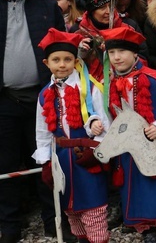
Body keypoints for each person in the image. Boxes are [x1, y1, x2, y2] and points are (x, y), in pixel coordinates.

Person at [0, 0, 67, 243]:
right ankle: (9, 225)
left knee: (49, 163)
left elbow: (61, 48)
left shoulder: (46, 5)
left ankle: (54, 219)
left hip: (44, 99)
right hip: (4, 101)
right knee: (5, 165)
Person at [101, 26, 156, 243]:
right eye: (112, 53)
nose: (117, 57)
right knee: (137, 203)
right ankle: (148, 236)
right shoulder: (108, 84)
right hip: (128, 155)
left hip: (155, 150)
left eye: (122, 51)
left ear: (135, 53)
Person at [33, 28, 111, 243]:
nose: (62, 64)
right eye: (56, 59)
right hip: (62, 161)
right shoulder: (44, 94)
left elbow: (104, 122)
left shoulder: (88, 88)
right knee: (71, 211)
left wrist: (98, 149)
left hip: (86, 158)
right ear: (46, 63)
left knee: (93, 209)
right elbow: (42, 131)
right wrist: (46, 161)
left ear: (75, 61)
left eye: (67, 59)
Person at [70, 0, 147, 82]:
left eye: (110, 6)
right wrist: (80, 54)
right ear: (91, 11)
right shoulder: (77, 30)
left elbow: (143, 57)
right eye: (102, 7)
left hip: (125, 83)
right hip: (89, 86)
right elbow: (68, 63)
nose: (108, 12)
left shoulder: (128, 26)